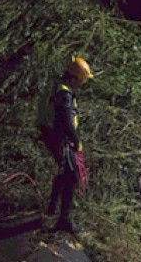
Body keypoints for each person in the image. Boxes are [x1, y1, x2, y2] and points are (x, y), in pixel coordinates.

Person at [40, 57, 93, 233]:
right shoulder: (64, 94)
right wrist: (76, 141)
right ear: (75, 78)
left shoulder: (58, 85)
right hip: (61, 138)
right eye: (81, 81)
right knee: (71, 176)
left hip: (51, 135)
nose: (81, 84)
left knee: (63, 171)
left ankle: (52, 208)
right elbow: (66, 121)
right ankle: (64, 220)